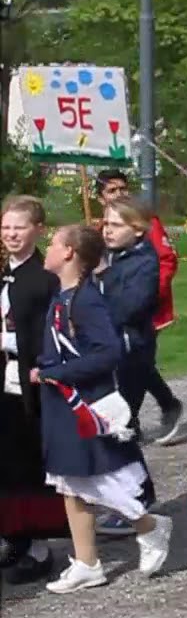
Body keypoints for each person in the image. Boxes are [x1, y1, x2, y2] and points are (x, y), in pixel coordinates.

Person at [36, 225, 173, 593]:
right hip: (62, 403)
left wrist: (54, 372)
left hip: (86, 405)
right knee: (69, 482)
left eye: (52, 243)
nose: (46, 249)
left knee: (101, 480)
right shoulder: (61, 295)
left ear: (69, 253)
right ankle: (87, 563)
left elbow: (108, 352)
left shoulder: (86, 300)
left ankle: (149, 526)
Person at [0, 196, 65, 584]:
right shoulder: (4, 272)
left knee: (30, 465)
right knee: (5, 464)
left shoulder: (44, 278)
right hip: (2, 382)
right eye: (6, 227)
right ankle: (16, 536)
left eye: (19, 227)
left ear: (37, 230)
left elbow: (51, 333)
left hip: (30, 385)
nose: (11, 234)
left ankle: (40, 546)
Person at [93, 170, 183, 445]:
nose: (119, 194)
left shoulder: (143, 222)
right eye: (112, 191)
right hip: (110, 328)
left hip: (144, 310)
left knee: (138, 365)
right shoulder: (102, 234)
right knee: (138, 368)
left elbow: (164, 260)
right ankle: (158, 408)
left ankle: (137, 420)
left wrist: (154, 293)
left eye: (123, 188)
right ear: (100, 197)